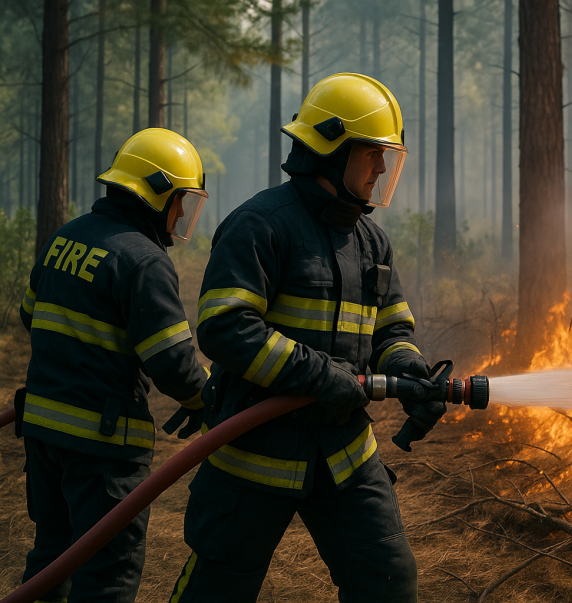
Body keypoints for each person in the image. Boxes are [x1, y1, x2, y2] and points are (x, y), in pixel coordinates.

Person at [168, 73, 443, 603]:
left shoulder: (371, 241)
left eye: (387, 156)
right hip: (255, 452)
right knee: (217, 589)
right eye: (372, 155)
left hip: (345, 455)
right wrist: (320, 375)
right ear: (331, 150)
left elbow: (390, 327)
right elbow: (226, 328)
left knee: (388, 582)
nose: (383, 168)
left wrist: (407, 367)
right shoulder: (260, 225)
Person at [16, 128, 211, 603]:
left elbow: (29, 314)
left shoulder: (65, 237)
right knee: (107, 574)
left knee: (51, 558)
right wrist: (206, 397)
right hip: (102, 448)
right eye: (180, 200)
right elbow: (172, 362)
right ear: (158, 193)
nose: (182, 213)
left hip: (43, 435)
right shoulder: (144, 261)